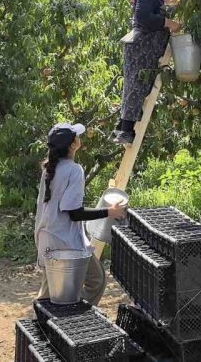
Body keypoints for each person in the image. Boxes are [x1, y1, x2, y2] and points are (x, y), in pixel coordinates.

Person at [36, 122, 127, 305]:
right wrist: (111, 211)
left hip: (46, 236)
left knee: (49, 292)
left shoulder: (50, 169)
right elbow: (74, 213)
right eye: (77, 136)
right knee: (96, 280)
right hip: (65, 241)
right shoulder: (74, 170)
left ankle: (46, 325)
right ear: (72, 145)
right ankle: (73, 320)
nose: (80, 138)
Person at [110, 0, 182, 145]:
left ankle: (123, 127)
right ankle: (126, 131)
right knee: (137, 85)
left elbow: (151, 6)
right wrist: (168, 23)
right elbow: (143, 16)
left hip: (142, 46)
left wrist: (166, 2)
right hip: (143, 46)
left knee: (136, 85)